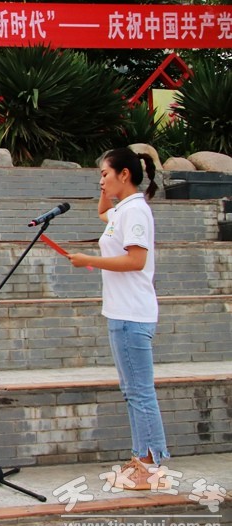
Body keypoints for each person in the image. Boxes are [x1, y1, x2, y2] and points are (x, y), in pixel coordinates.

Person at [68, 148, 169, 490]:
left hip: (132, 315)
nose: (101, 181)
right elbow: (102, 213)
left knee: (140, 393)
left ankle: (150, 466)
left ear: (124, 175)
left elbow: (136, 260)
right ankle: (141, 459)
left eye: (105, 174)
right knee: (132, 392)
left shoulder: (135, 211)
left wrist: (89, 260)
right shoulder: (122, 210)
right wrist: (105, 191)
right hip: (120, 313)